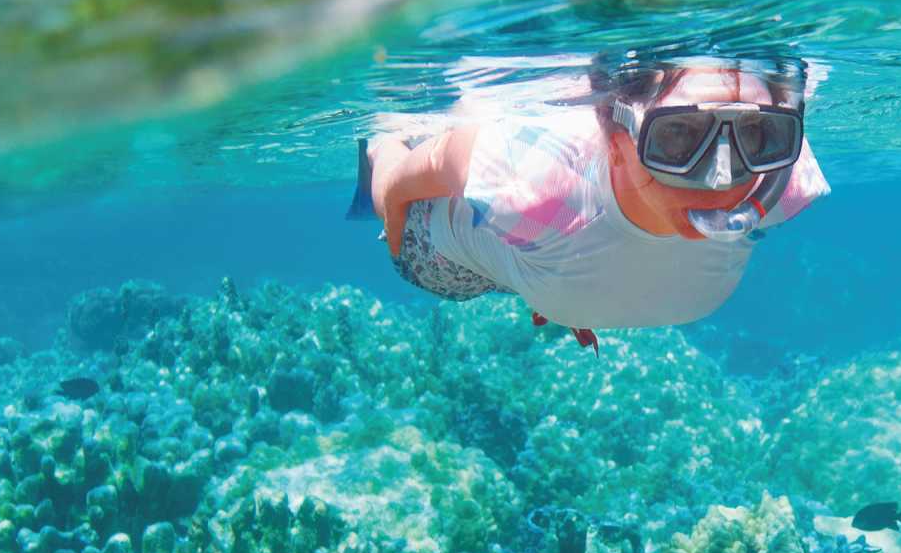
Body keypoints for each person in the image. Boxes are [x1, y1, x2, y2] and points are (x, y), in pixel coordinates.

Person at [353, 56, 829, 349]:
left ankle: (543, 288)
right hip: (448, 260)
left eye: (755, 135)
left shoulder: (784, 182)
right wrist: (393, 214)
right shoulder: (535, 184)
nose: (722, 175)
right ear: (617, 140)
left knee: (542, 257)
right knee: (390, 165)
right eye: (680, 136)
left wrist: (569, 294)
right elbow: (400, 182)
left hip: (544, 268)